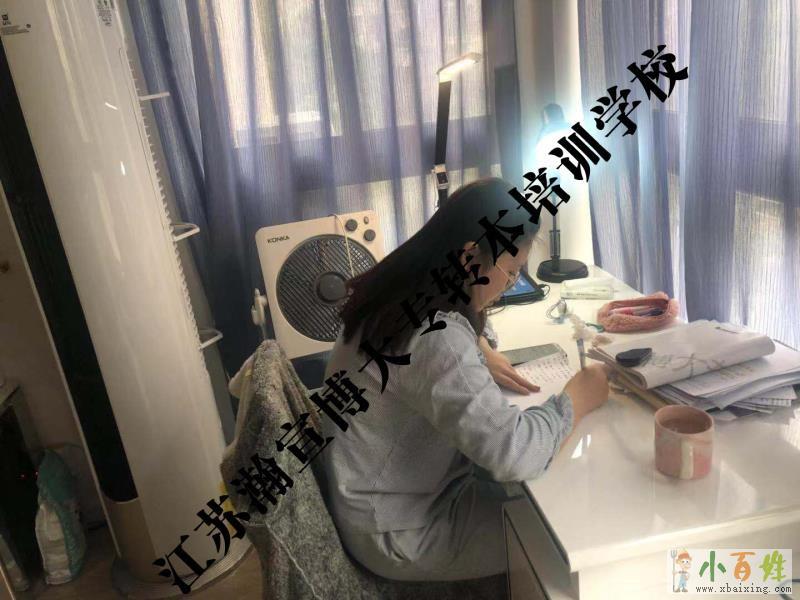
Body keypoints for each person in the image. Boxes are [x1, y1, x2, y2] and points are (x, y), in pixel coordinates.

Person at [318, 177, 610, 582]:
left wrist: (479, 346)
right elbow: (514, 453)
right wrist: (576, 399)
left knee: (556, 499)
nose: (510, 284)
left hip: (377, 498)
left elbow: (438, 350)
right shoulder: (436, 337)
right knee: (572, 531)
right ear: (471, 258)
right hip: (402, 530)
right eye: (511, 271)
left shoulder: (402, 288)